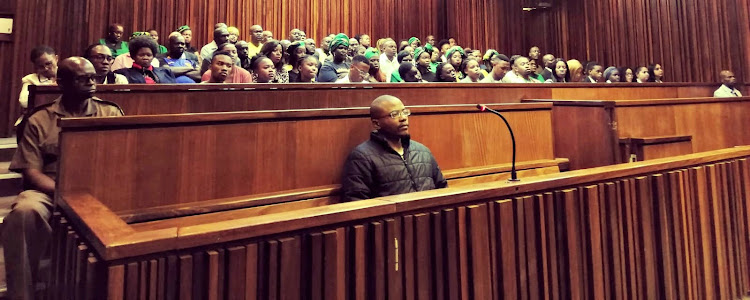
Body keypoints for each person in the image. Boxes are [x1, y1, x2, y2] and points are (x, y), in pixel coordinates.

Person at [4, 57, 123, 299]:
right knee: (24, 211)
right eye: (83, 79)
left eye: (93, 78)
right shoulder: (39, 119)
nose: (92, 83)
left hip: (99, 191)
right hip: (51, 190)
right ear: (62, 83)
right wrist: (64, 193)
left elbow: (122, 160)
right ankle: (22, 294)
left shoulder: (110, 112)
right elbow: (31, 171)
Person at [341, 95, 447, 202]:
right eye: (394, 114)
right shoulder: (361, 157)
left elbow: (442, 188)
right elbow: (356, 202)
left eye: (405, 112)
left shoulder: (422, 151)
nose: (403, 118)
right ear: (376, 124)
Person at [18, 46, 58, 112]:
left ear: (56, 59)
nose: (46, 68)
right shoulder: (31, 79)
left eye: (48, 64)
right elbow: (24, 102)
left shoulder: (68, 75)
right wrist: (50, 90)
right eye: (41, 66)